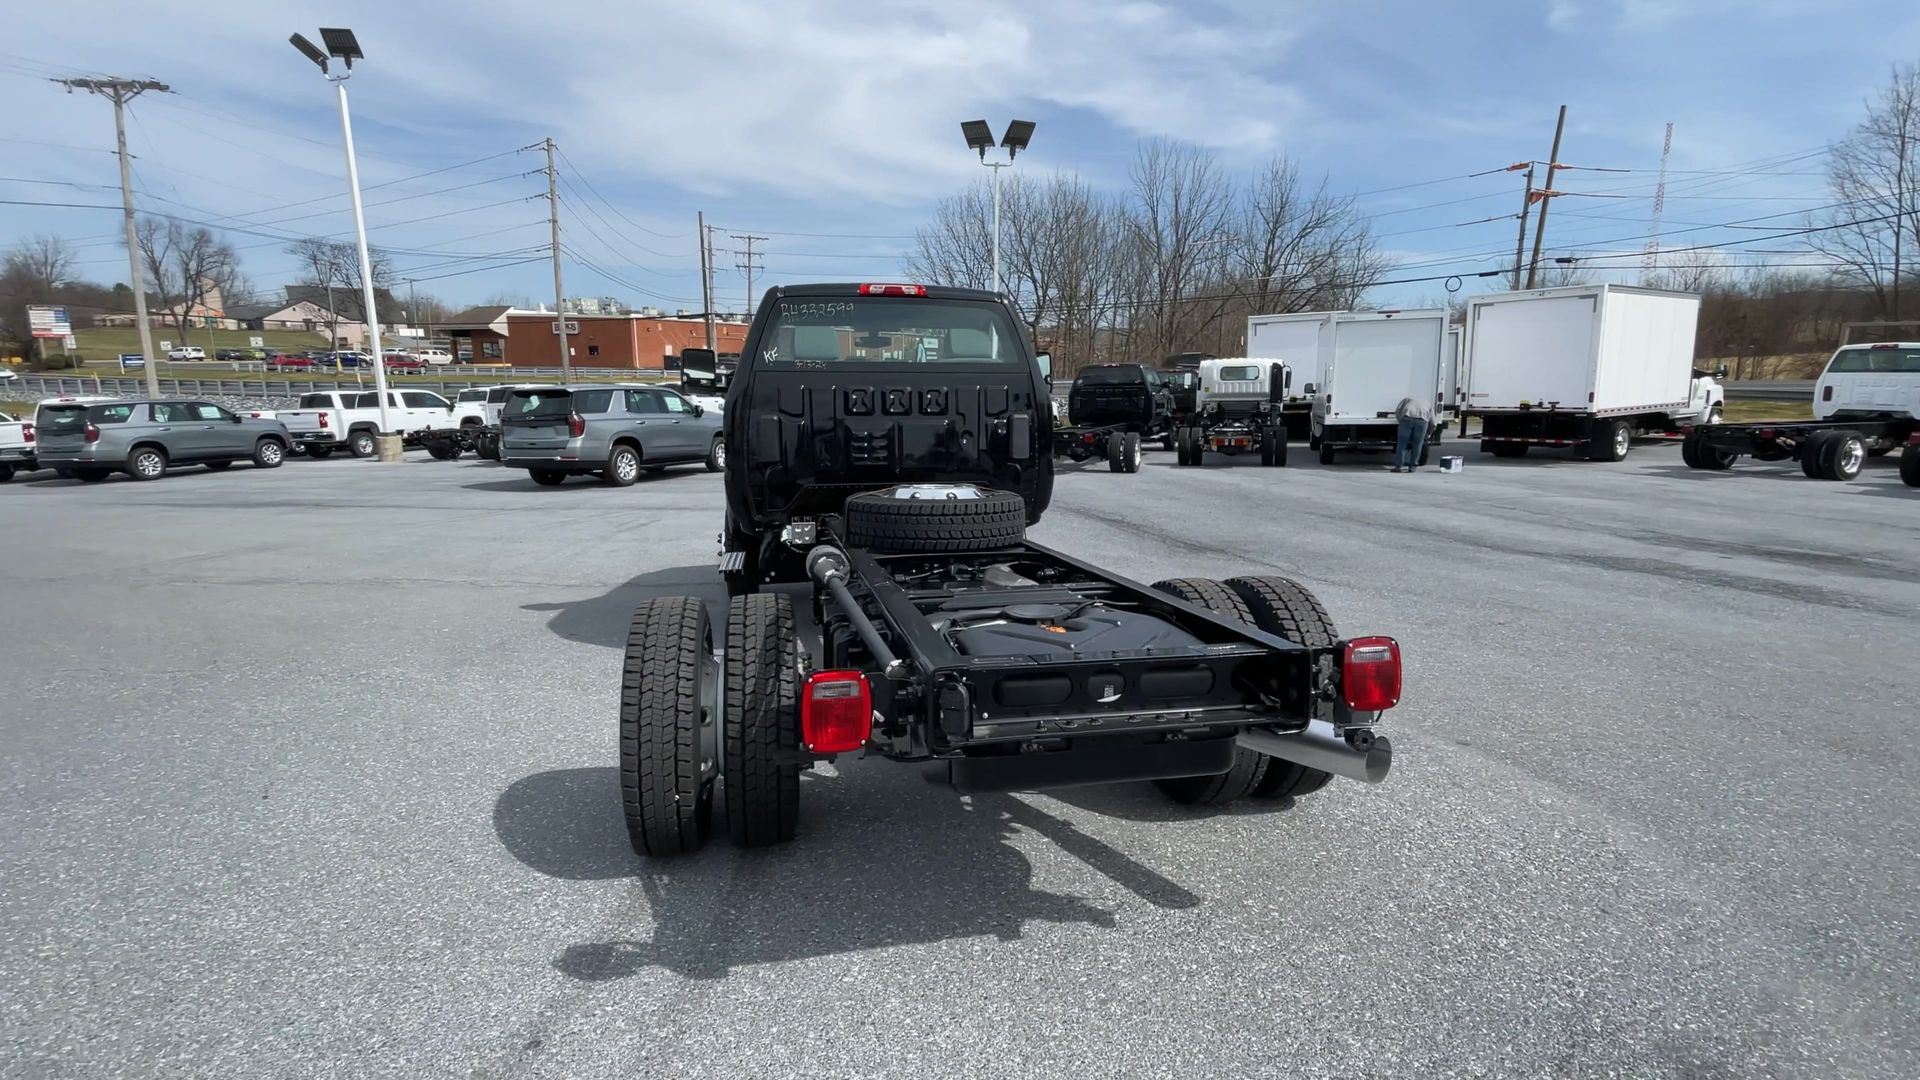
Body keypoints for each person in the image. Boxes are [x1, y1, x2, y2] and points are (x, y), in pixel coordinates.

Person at [1393, 394, 1434, 472]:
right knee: (1417, 444)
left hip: (1406, 419)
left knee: (1402, 444)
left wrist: (1400, 420)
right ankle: (1412, 467)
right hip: (1422, 421)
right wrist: (1429, 433)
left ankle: (1398, 467)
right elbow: (1433, 423)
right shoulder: (1428, 403)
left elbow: (1398, 410)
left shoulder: (1406, 400)